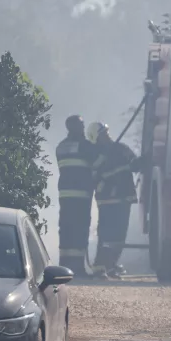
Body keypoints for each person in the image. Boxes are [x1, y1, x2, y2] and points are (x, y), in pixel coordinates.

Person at [87, 121, 142, 278]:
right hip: (107, 199)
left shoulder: (121, 148)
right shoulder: (95, 154)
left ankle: (111, 265)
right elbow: (95, 173)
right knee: (106, 234)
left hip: (124, 198)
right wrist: (106, 158)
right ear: (96, 139)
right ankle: (99, 266)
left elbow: (134, 165)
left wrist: (139, 161)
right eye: (103, 134)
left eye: (107, 132)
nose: (107, 136)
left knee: (119, 236)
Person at [54, 115, 97, 278]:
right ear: (75, 127)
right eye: (81, 125)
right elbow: (98, 161)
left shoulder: (61, 147)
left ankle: (64, 266)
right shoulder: (85, 146)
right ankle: (78, 269)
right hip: (81, 196)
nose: (83, 128)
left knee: (65, 229)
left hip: (65, 196)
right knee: (80, 230)